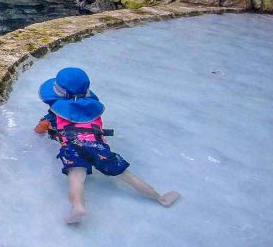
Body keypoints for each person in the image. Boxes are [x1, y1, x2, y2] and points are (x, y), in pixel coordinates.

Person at [36, 67, 180, 224]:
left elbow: (40, 129)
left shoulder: (54, 114)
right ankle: (160, 198)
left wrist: (41, 131)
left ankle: (78, 207)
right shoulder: (93, 108)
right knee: (126, 176)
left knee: (76, 178)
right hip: (98, 147)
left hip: (72, 147)